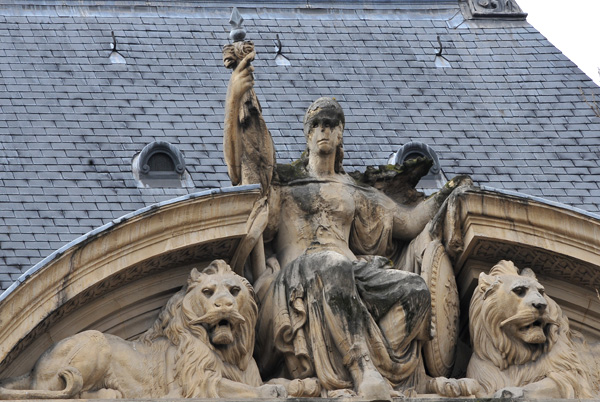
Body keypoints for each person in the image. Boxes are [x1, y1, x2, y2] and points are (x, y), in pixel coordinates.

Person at [224, 52, 463, 399]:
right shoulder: (284, 185)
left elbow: (409, 223)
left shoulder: (355, 192)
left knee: (415, 290)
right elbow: (246, 167)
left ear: (340, 137)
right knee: (330, 264)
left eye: (330, 125)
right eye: (316, 125)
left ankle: (390, 370)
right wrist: (237, 97)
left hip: (352, 272)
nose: (323, 130)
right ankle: (361, 367)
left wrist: (450, 193)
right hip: (296, 280)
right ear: (306, 137)